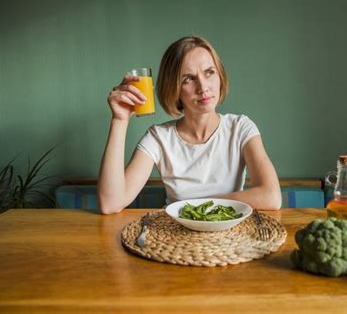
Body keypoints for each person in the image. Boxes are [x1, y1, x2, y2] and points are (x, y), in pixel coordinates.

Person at [97, 36, 281, 214]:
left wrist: (198, 209)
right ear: (174, 89)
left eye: (209, 72)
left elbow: (271, 196)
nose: (203, 87)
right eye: (188, 79)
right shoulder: (159, 138)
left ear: (220, 77)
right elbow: (110, 203)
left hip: (229, 239)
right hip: (176, 239)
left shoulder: (241, 128)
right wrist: (119, 121)